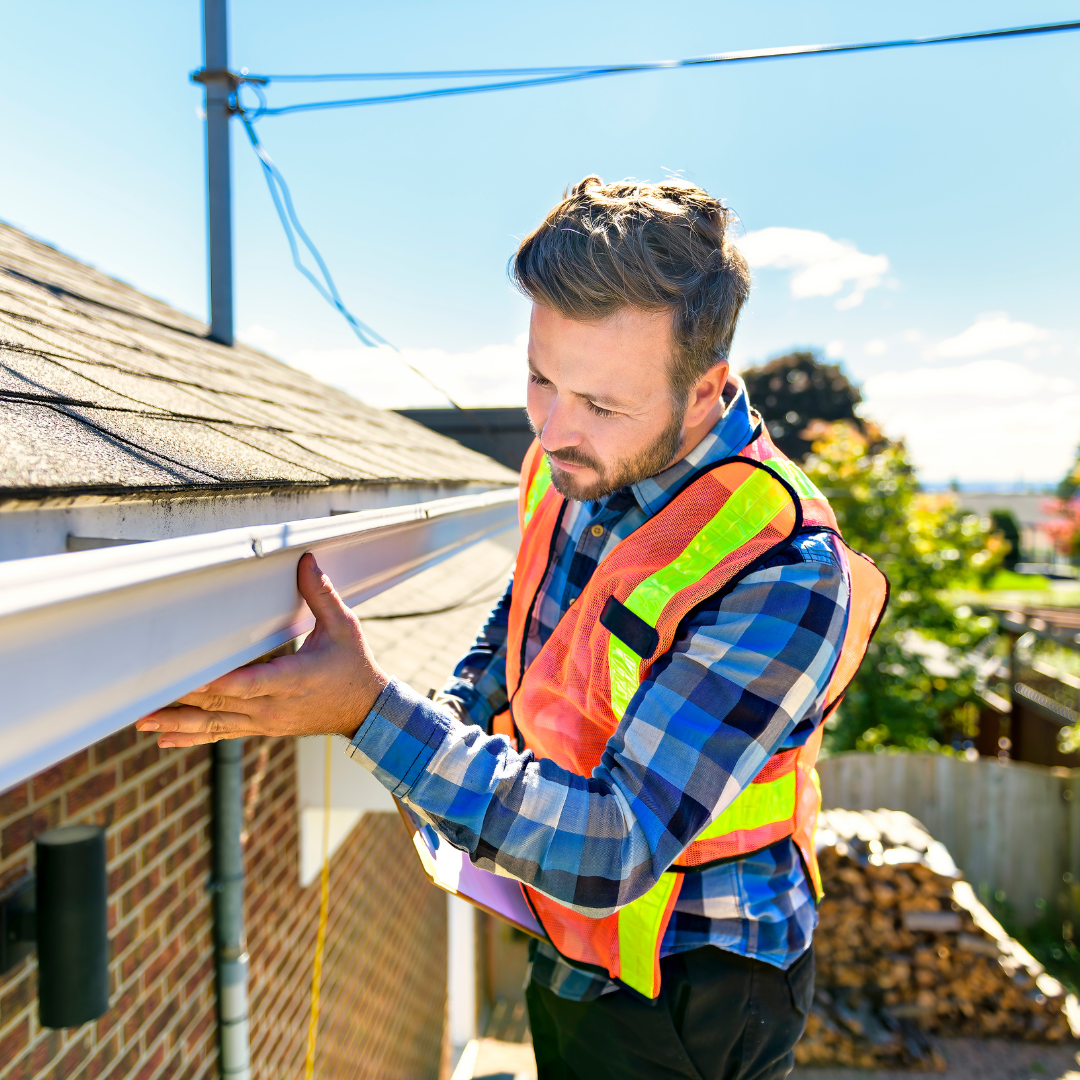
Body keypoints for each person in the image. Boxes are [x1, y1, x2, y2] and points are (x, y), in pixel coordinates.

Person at [138, 176, 886, 1080]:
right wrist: (455, 705)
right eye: (540, 378)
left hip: (695, 980)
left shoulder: (785, 571)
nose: (556, 428)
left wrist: (367, 712)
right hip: (567, 932)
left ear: (706, 392)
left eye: (603, 404)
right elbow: (529, 610)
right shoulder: (571, 458)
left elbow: (613, 847)